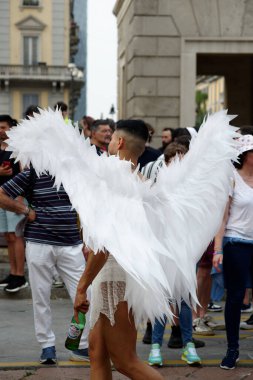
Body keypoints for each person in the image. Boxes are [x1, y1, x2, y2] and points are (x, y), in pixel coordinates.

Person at [75, 120, 164, 380]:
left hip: (114, 274)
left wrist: (82, 286)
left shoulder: (115, 180)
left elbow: (105, 244)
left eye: (112, 138)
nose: (109, 142)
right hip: (121, 273)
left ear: (120, 142)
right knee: (97, 352)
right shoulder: (141, 180)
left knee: (126, 361)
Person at [0, 168, 90, 364]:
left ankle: (80, 345)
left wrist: (86, 240)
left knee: (85, 294)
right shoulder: (33, 173)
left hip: (72, 244)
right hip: (39, 242)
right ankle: (47, 345)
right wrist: (24, 210)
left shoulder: (76, 172)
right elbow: (1, 195)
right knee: (41, 296)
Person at [213, 134, 253, 370]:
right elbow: (222, 216)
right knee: (236, 297)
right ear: (246, 155)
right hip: (236, 242)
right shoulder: (232, 179)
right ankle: (232, 349)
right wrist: (218, 249)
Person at [0, 114, 27, 292]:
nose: (0, 130)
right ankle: (13, 272)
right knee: (8, 236)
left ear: (11, 128)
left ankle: (20, 275)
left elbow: (25, 172)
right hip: (1, 197)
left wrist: (21, 195)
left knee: (16, 236)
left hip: (15, 197)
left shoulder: (19, 148)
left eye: (3, 127)